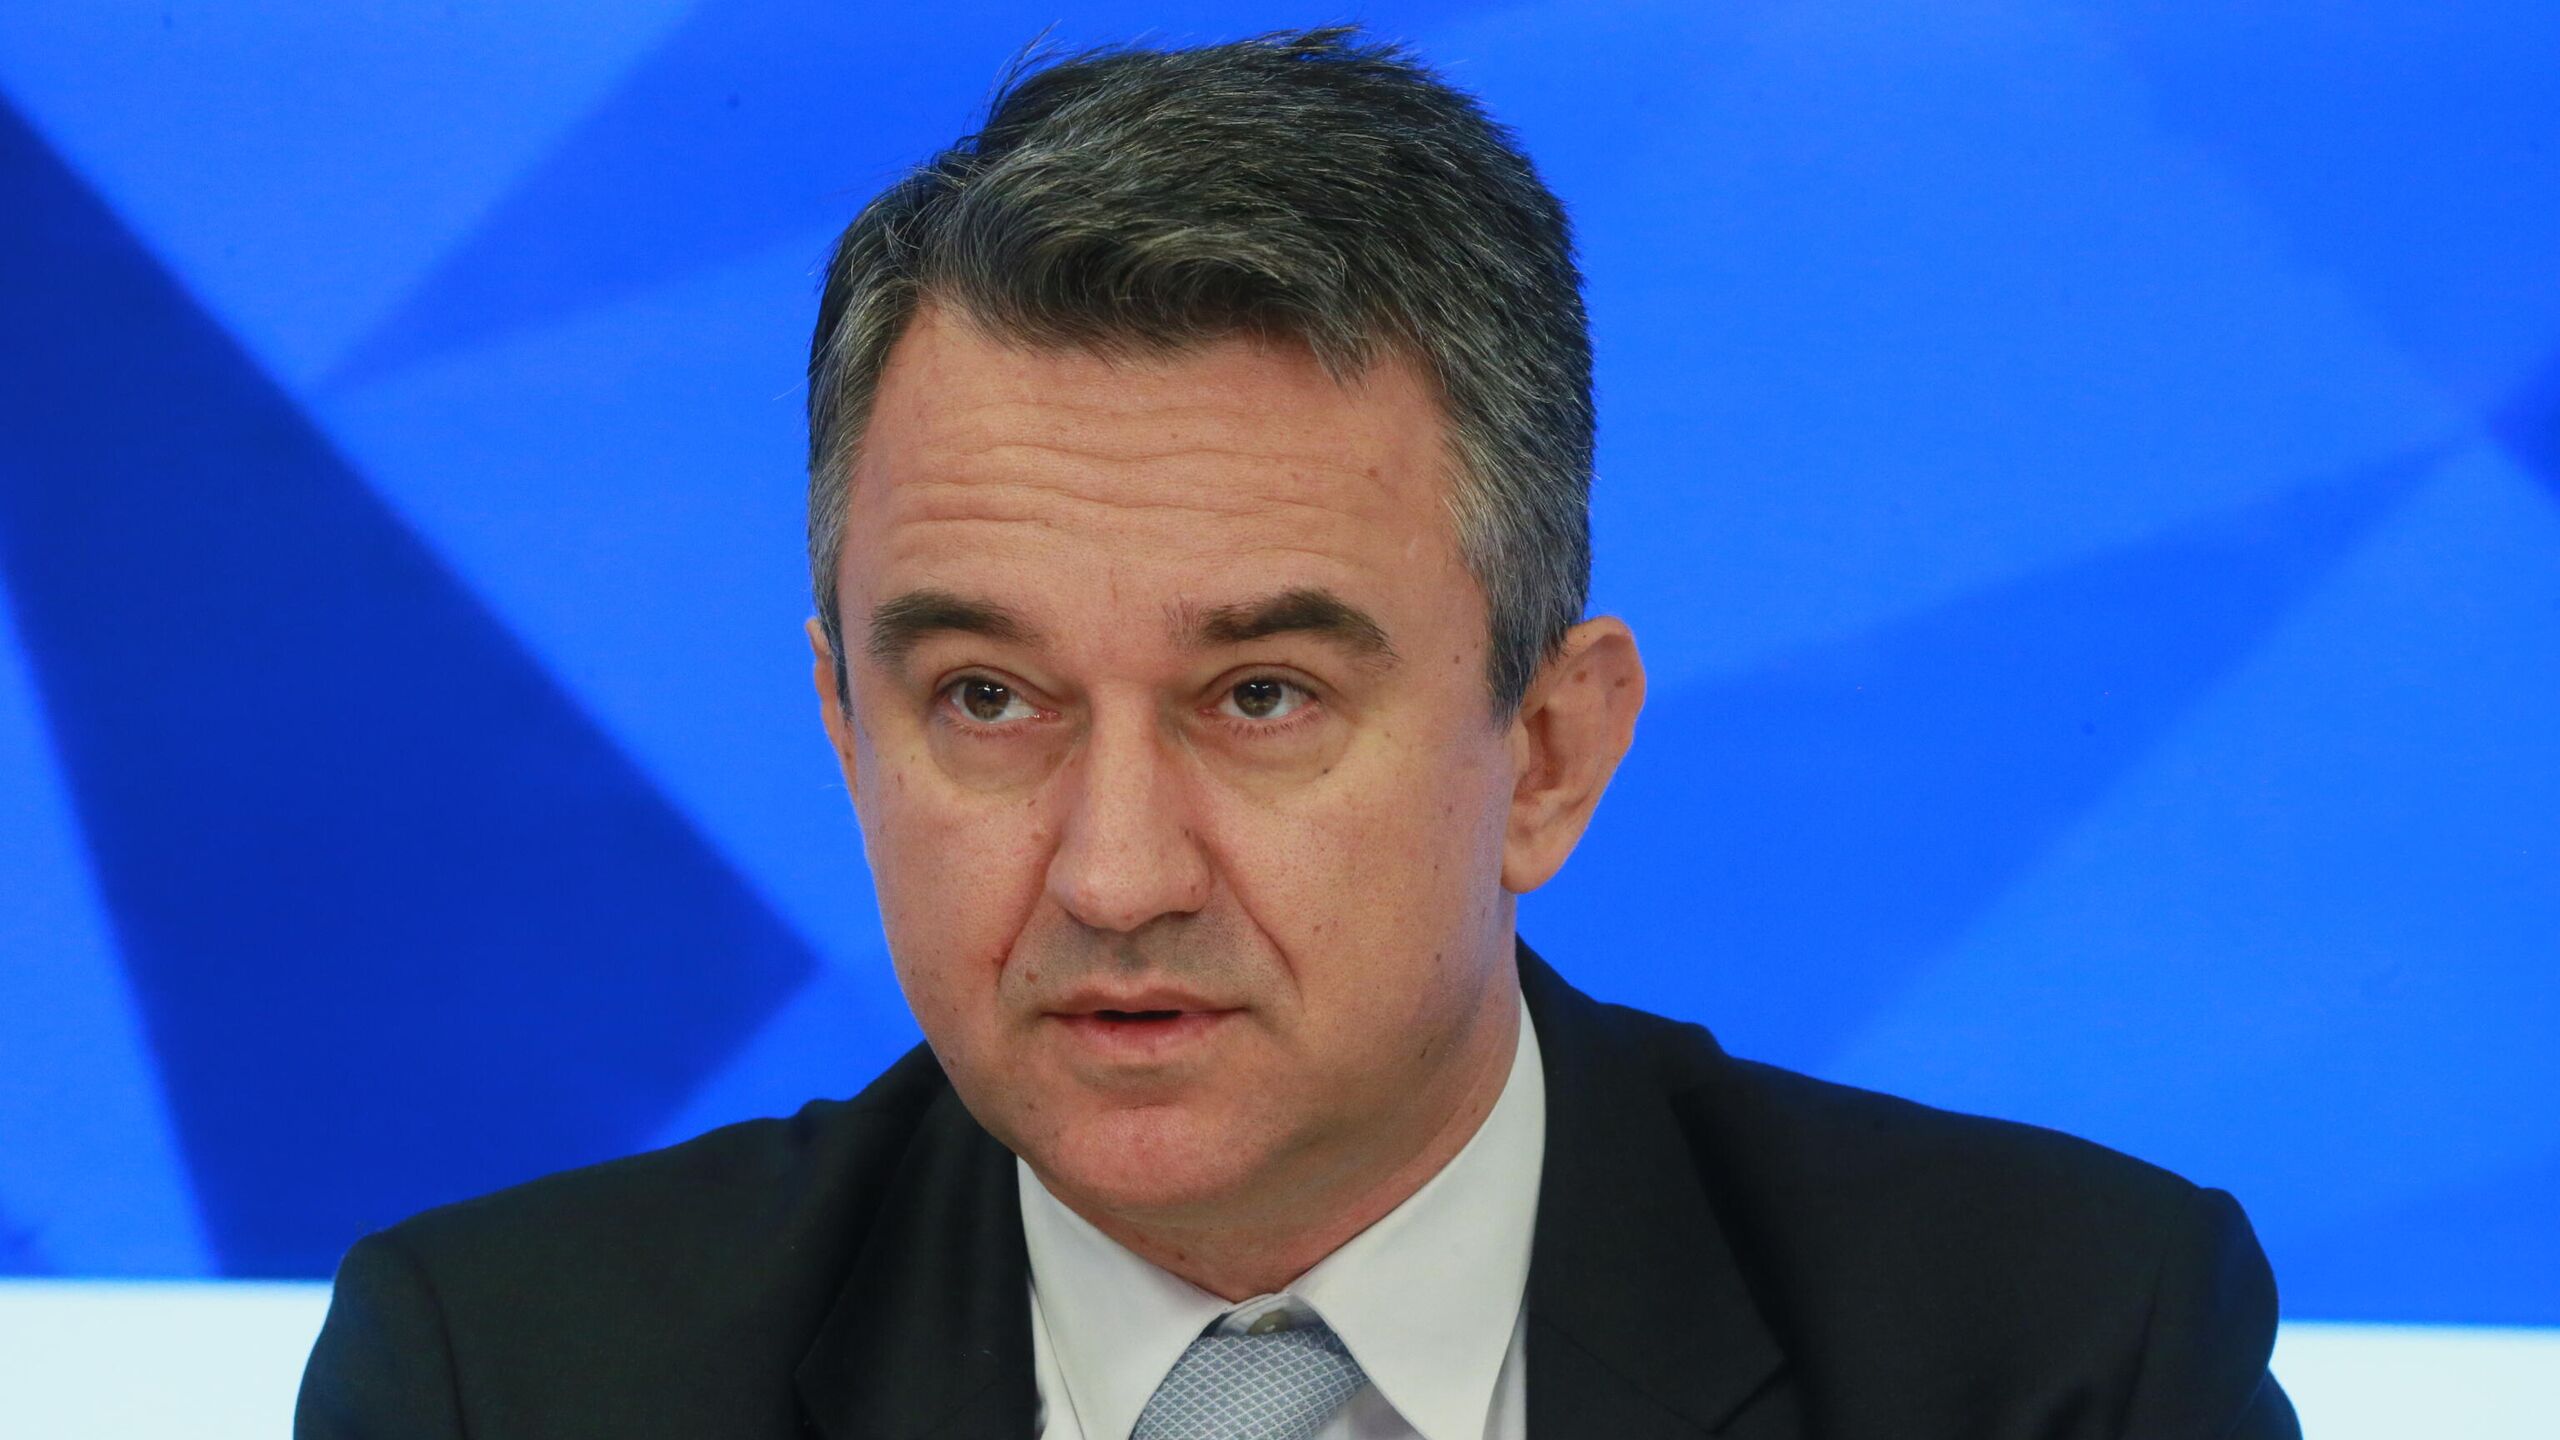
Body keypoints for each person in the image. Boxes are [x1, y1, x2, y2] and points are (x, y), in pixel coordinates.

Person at [297, 27, 2297, 1439]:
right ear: (845, 724)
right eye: (985, 698)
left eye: (1261, 697)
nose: (1112, 874)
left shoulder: (2059, 1360)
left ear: (1545, 753)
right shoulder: (511, 1383)